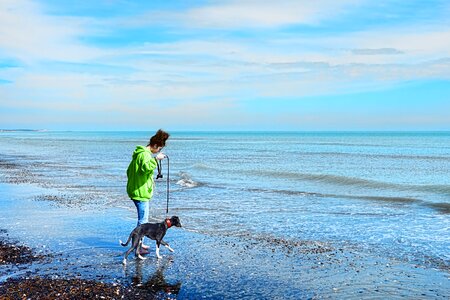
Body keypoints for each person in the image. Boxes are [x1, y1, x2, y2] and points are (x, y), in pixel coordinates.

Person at [127, 129, 170, 232]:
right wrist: (156, 159)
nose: (158, 151)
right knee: (143, 221)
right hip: (141, 192)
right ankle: (138, 245)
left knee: (142, 220)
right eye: (159, 149)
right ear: (155, 145)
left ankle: (139, 243)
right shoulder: (145, 154)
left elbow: (129, 171)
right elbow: (146, 168)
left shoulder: (139, 154)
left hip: (136, 190)